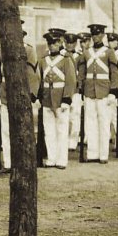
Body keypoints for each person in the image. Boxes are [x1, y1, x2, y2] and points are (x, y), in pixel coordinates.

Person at [0, 22, 39, 173]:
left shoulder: (29, 50)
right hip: (5, 93)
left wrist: (31, 94)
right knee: (6, 130)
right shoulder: (0, 50)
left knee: (23, 129)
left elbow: (33, 74)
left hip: (22, 93)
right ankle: (8, 163)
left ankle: (24, 162)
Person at [77, 23, 118, 163]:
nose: (95, 37)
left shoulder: (109, 52)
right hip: (89, 92)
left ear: (103, 35)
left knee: (103, 123)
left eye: (98, 34)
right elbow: (82, 74)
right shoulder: (86, 52)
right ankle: (92, 153)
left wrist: (113, 92)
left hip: (104, 92)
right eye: (93, 35)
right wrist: (80, 91)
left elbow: (115, 73)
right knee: (90, 124)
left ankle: (103, 154)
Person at [37, 31, 77, 169]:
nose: (52, 46)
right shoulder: (43, 60)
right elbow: (40, 80)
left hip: (61, 99)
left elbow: (71, 81)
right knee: (49, 131)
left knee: (62, 130)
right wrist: (39, 97)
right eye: (50, 43)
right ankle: (51, 158)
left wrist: (67, 99)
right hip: (47, 99)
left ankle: (61, 159)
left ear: (60, 43)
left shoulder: (66, 59)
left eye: (55, 43)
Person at [62, 33, 83, 150]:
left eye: (72, 43)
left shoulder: (79, 56)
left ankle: (73, 141)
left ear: (75, 43)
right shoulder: (61, 55)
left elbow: (82, 73)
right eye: (67, 43)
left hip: (76, 90)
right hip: (64, 90)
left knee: (75, 116)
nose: (69, 45)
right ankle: (64, 139)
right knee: (64, 116)